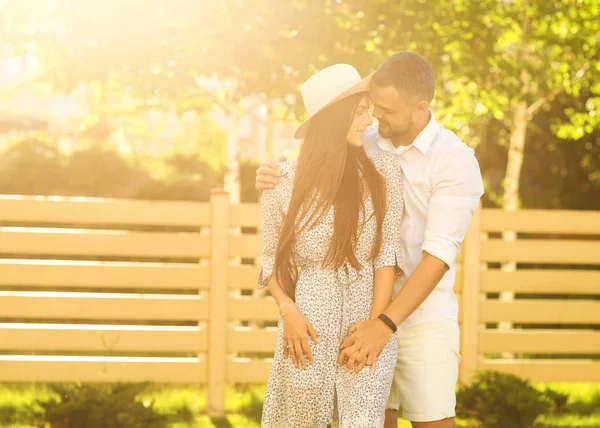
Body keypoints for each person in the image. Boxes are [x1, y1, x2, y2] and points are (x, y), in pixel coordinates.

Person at [256, 52, 484, 428]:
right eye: (370, 108)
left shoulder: (454, 160)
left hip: (418, 320)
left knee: (432, 421)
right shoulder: (371, 139)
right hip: (360, 320)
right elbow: (319, 162)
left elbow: (438, 255)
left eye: (384, 109)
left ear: (420, 107)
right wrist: (273, 174)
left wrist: (384, 324)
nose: (375, 117)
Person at [258, 64, 404, 428]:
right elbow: (269, 259)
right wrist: (287, 310)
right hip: (306, 326)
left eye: (368, 110)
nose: (368, 120)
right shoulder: (282, 181)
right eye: (360, 111)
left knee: (362, 420)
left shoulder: (384, 172)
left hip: (364, 327)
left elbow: (385, 255)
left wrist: (375, 328)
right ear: (334, 119)